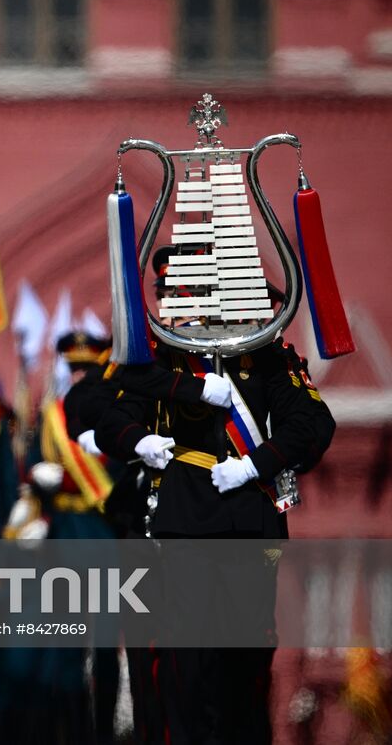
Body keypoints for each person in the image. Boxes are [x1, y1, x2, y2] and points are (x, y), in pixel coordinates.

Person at [96, 292, 335, 744]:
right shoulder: (163, 360)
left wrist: (254, 464)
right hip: (186, 524)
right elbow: (113, 418)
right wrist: (139, 442)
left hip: (250, 523)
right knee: (187, 662)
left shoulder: (266, 355)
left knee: (246, 663)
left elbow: (312, 424)